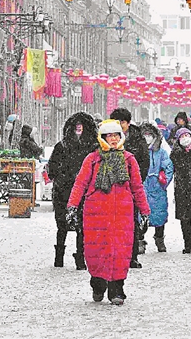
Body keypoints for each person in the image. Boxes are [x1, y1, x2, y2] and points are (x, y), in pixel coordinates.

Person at [66, 120, 150, 305]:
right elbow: (80, 184)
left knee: (121, 252)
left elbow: (137, 188)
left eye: (116, 135)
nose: (113, 139)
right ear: (102, 138)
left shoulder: (129, 160)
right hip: (96, 214)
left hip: (122, 215)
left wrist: (145, 211)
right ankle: (98, 284)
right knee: (96, 251)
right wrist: (72, 206)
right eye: (109, 136)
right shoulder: (92, 159)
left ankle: (117, 289)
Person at [48, 112, 98, 270]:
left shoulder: (93, 148)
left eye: (82, 125)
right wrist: (63, 177)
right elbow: (52, 168)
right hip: (63, 191)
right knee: (62, 225)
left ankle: (80, 258)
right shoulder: (61, 146)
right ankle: (59, 257)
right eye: (76, 125)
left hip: (84, 191)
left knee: (82, 226)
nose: (79, 128)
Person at [109, 108, 151, 268]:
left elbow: (144, 162)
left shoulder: (137, 139)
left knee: (131, 223)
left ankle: (132, 256)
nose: (119, 125)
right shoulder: (106, 138)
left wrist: (136, 181)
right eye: (116, 122)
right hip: (111, 188)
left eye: (122, 122)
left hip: (130, 188)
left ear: (128, 123)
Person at [140, 122, 175, 253]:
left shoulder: (161, 152)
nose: (147, 137)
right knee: (140, 216)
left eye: (150, 135)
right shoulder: (138, 152)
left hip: (157, 188)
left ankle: (159, 238)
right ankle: (140, 240)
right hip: (142, 187)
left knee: (159, 215)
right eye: (145, 135)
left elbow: (169, 167)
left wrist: (164, 182)